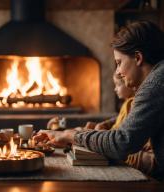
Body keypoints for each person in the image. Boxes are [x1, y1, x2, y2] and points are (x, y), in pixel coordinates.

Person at [34, 21, 164, 179]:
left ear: (138, 58)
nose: (118, 71)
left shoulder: (154, 84)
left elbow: (123, 142)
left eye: (119, 63)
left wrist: (70, 135)